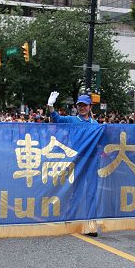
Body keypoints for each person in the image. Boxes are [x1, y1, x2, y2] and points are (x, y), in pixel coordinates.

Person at [47, 92, 98, 237]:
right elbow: (57, 119)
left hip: (93, 161)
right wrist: (50, 106)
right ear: (76, 107)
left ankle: (91, 226)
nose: (82, 108)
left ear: (90, 107)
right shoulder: (72, 120)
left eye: (84, 105)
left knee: (92, 193)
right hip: (78, 160)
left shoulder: (96, 124)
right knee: (77, 191)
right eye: (79, 105)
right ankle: (71, 219)